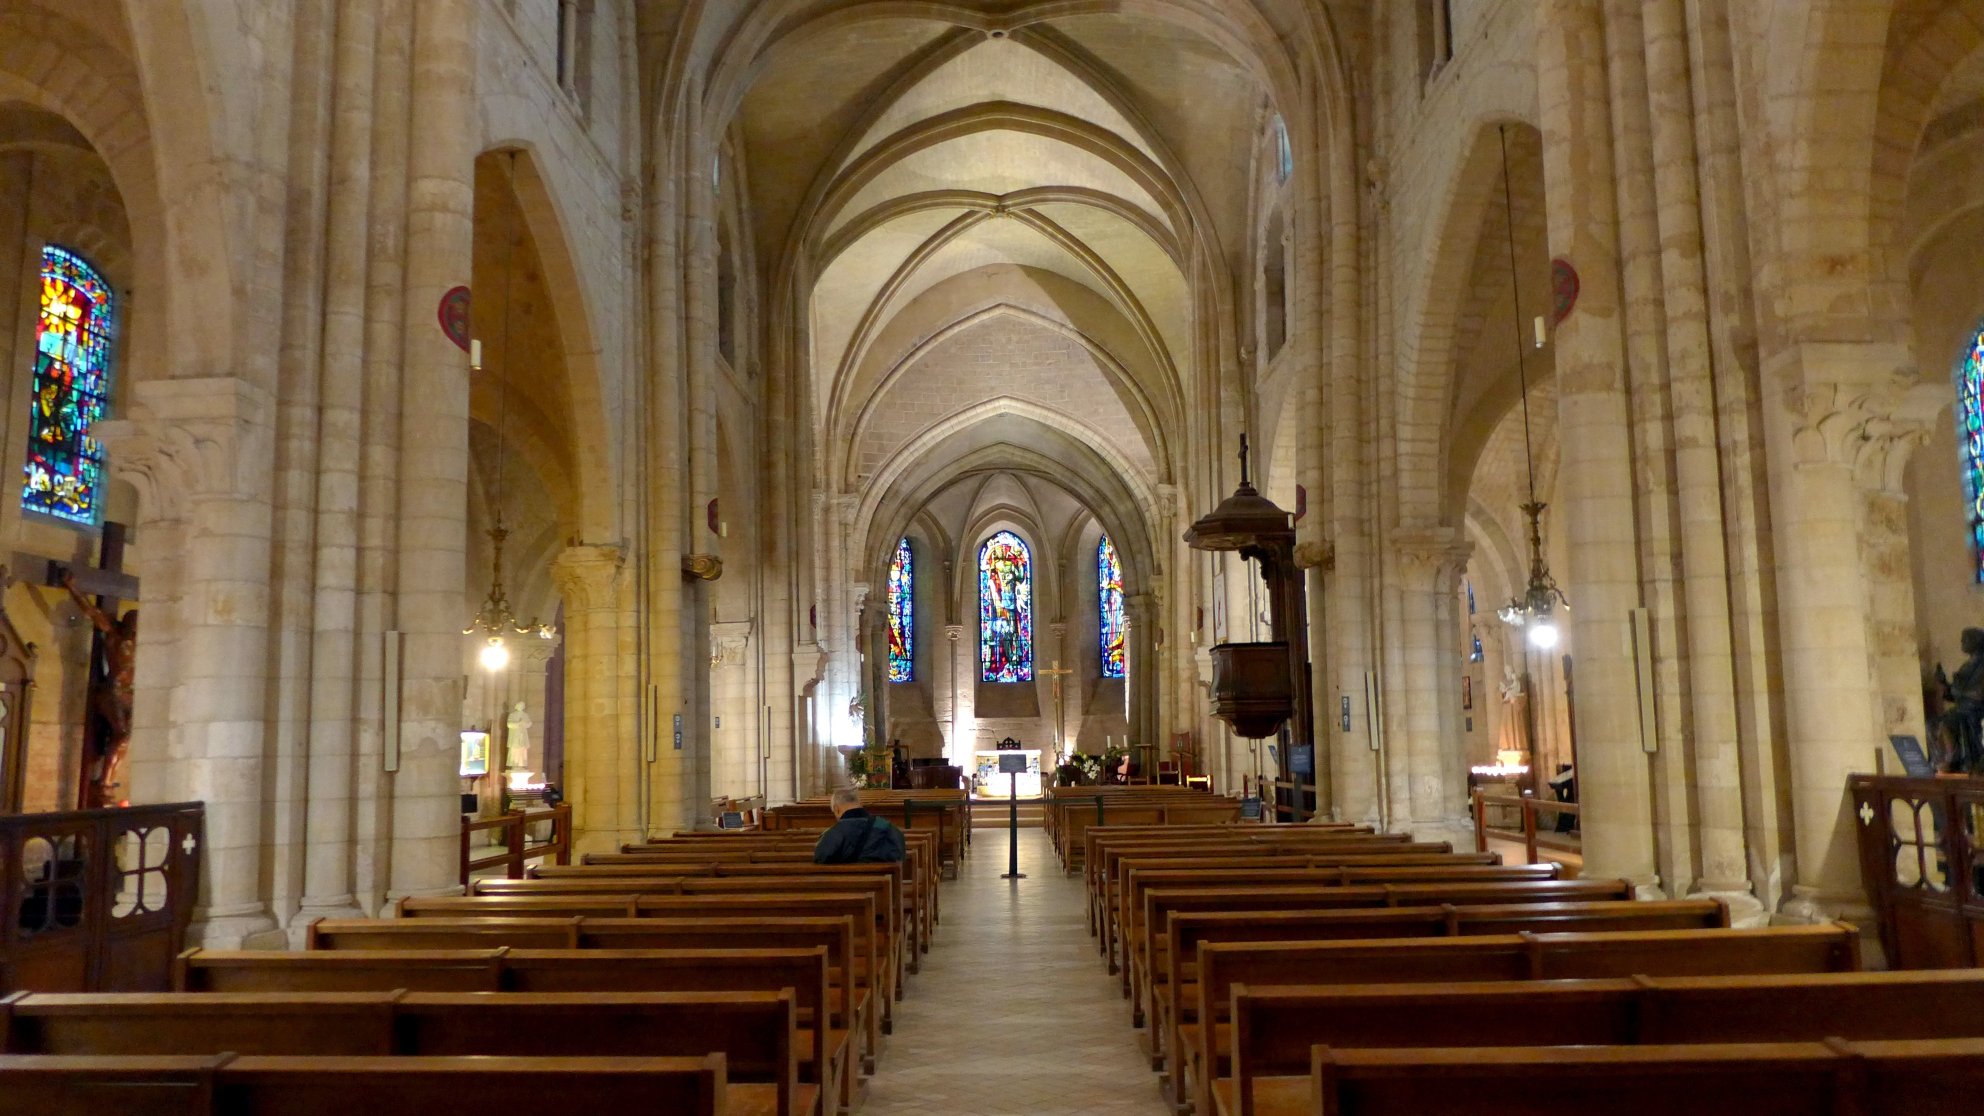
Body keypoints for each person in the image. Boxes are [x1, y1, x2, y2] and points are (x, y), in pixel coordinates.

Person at [813, 786, 906, 864]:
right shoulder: (888, 827)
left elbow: (820, 858)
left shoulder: (832, 834)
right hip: (884, 880)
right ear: (860, 804)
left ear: (836, 809)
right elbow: (899, 855)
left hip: (847, 880)